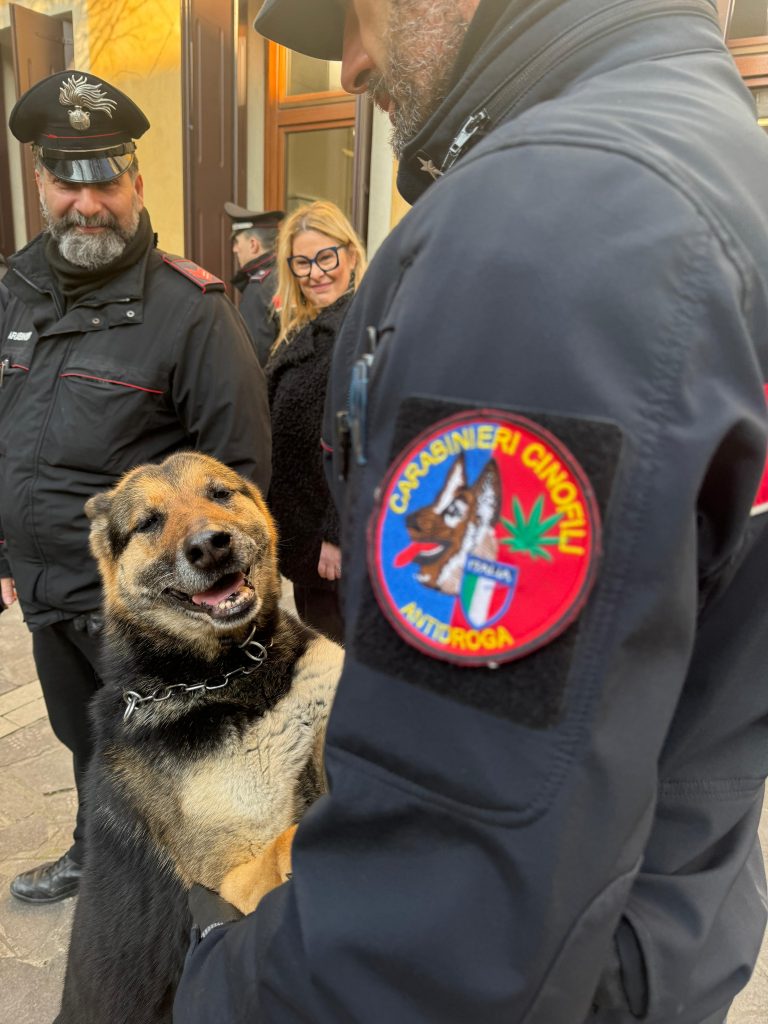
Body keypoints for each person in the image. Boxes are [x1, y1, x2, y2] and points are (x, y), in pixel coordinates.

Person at [175, 2, 768, 1022]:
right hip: (656, 918)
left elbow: (435, 912)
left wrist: (219, 978)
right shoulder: (720, 162)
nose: (352, 65)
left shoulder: (554, 232)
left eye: (352, 12)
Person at [1, 70, 270, 905]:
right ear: (41, 183)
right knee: (85, 743)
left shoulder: (190, 311)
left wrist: (210, 603)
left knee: (177, 761)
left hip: (150, 611)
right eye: (68, 183)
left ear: (136, 182)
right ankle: (101, 857)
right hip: (48, 593)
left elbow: (243, 475)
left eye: (106, 183)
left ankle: (199, 905)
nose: (89, 204)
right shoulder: (13, 291)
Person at [266, 200, 366, 644]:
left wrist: (337, 532)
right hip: (304, 532)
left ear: (351, 254)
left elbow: (365, 436)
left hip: (332, 544)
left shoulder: (359, 326)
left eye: (327, 257)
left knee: (338, 659)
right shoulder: (304, 327)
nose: (315, 272)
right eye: (302, 262)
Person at [225, 202, 284, 366]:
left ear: (253, 244)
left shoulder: (258, 290)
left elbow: (253, 360)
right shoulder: (286, 274)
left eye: (236, 242)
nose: (235, 249)